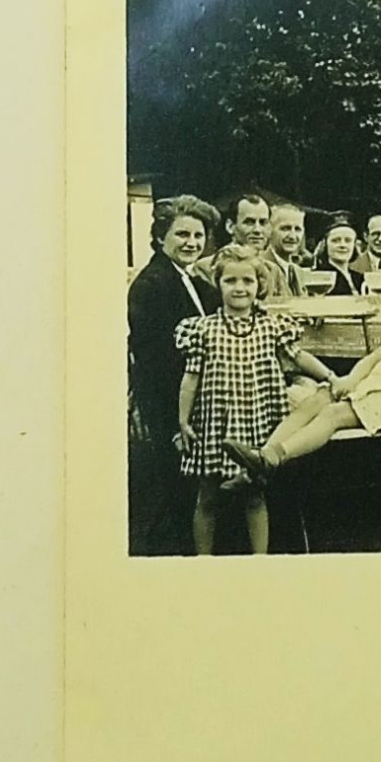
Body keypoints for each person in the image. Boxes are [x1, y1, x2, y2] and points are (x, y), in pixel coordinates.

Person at [175, 244, 343, 554]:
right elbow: (191, 379)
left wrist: (331, 376)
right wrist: (183, 420)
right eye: (231, 281)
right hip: (217, 425)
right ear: (218, 283)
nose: (240, 288)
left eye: (247, 281)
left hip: (257, 421)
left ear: (259, 285)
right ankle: (202, 559)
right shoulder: (203, 330)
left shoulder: (270, 326)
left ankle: (259, 559)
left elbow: (299, 356)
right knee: (208, 496)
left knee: (255, 494)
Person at [222, 281, 381, 480]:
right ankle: (261, 457)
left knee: (333, 414)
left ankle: (275, 456)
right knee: (320, 395)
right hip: (369, 387)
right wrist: (348, 380)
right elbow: (372, 359)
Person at [128, 194, 221, 554]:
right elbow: (155, 363)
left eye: (198, 236)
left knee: (192, 493)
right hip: (170, 404)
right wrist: (175, 421)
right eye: (182, 234)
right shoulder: (152, 285)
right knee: (174, 493)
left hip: (194, 398)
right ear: (160, 236)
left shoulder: (191, 280)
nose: (192, 243)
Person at [193, 192, 271, 284]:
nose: (257, 230)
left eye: (263, 223)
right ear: (230, 226)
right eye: (249, 222)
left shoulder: (272, 269)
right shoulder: (206, 268)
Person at [263, 203, 309, 298]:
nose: (292, 236)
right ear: (269, 230)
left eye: (297, 229)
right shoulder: (262, 268)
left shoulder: (299, 272)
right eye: (285, 228)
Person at [314, 215, 362, 295]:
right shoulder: (319, 278)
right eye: (335, 240)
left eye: (348, 240)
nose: (342, 245)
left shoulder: (359, 278)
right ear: (325, 244)